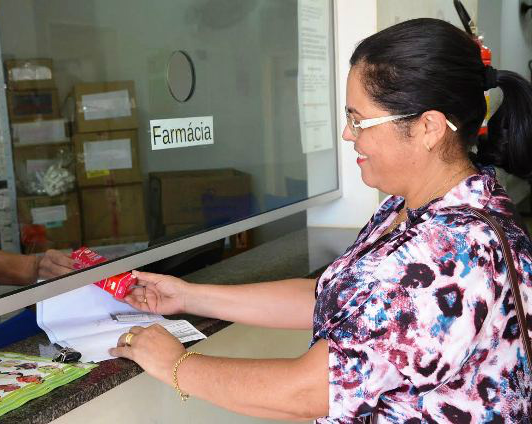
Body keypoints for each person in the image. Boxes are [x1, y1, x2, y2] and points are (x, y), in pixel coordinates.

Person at [107, 18, 532, 423]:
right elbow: (333, 300)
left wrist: (177, 365)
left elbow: (309, 391)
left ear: (428, 128)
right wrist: (189, 297)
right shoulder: (415, 208)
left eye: (358, 120)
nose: (348, 135)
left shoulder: (451, 254)